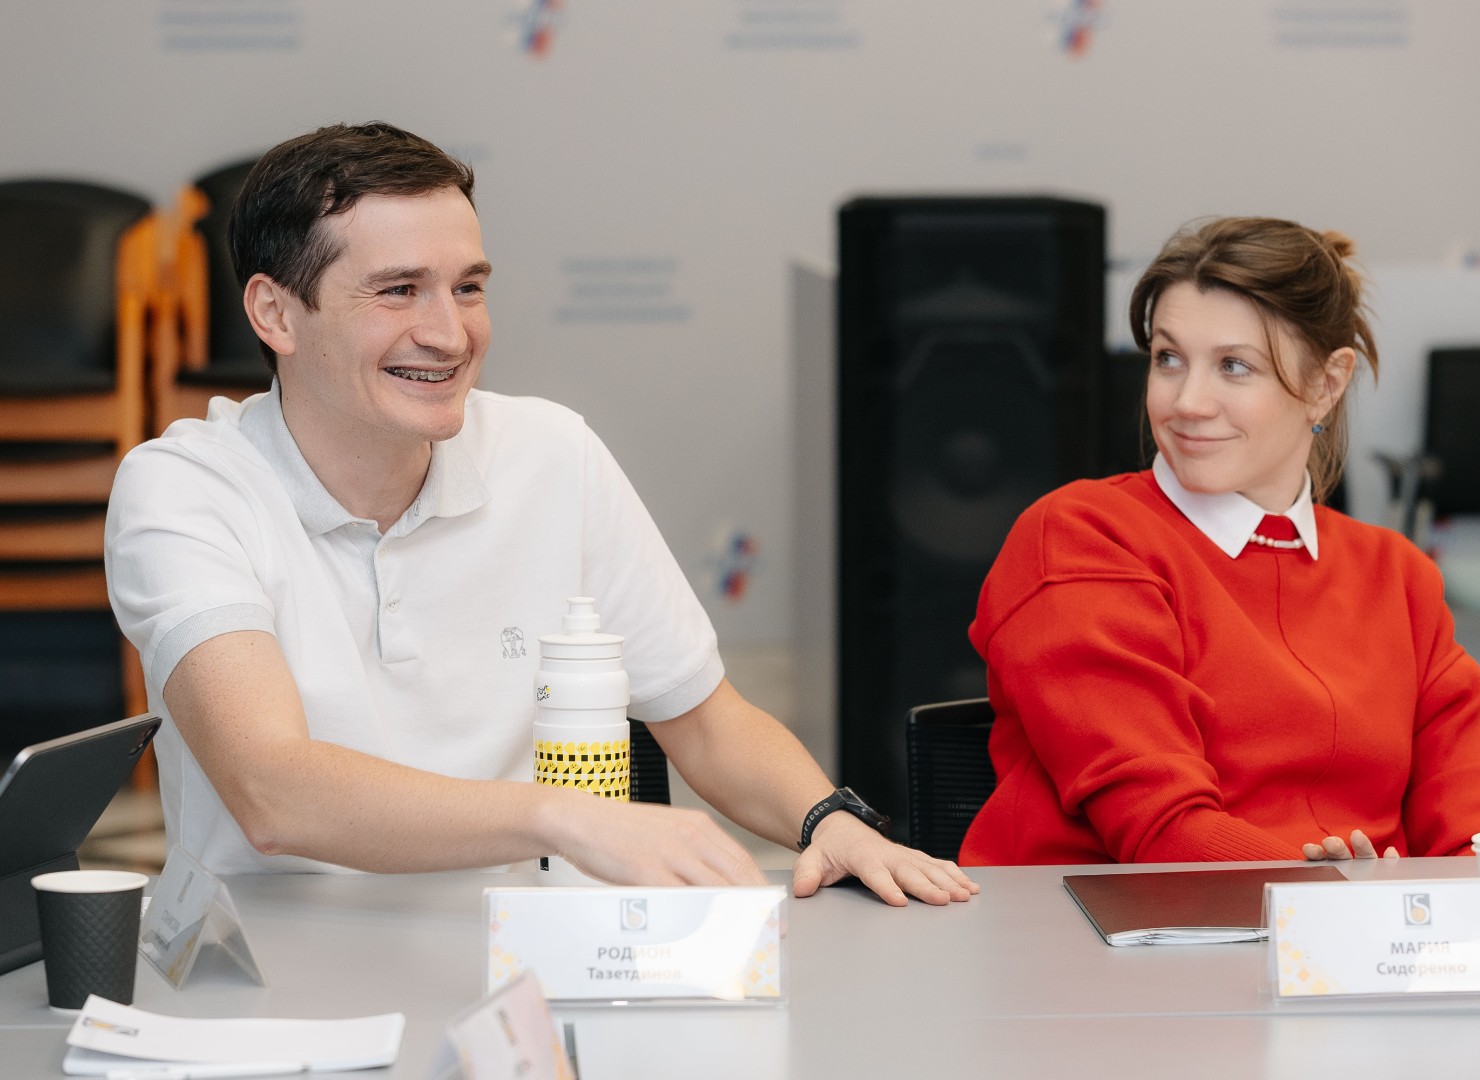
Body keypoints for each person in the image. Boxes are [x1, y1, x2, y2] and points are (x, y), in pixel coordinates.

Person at [105, 121, 977, 907]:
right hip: (268, 976)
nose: (450, 334)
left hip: (521, 961)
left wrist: (830, 819)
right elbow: (273, 792)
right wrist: (562, 818)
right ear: (275, 313)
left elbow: (707, 721)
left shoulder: (551, 451)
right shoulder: (184, 488)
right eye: (399, 290)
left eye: (468, 288)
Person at [959, 216, 1480, 866]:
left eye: (1234, 366)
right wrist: (1342, 902)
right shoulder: (1080, 537)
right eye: (1168, 359)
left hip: (1345, 925)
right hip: (1111, 926)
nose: (1187, 402)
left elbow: (1477, 817)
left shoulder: (1397, 575)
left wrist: (1467, 903)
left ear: (1327, 384)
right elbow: (1160, 829)